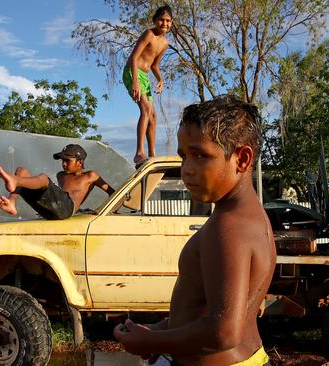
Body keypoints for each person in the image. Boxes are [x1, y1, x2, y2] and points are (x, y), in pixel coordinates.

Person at [114, 95, 277, 366]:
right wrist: (160, 330)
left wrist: (150, 342)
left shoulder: (229, 226)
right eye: (183, 156)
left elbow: (224, 332)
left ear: (242, 159)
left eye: (200, 155)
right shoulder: (249, 215)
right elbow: (205, 311)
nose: (186, 170)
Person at [0, 144, 115, 220]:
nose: (63, 164)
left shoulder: (91, 176)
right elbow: (53, 195)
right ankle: (12, 203)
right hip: (50, 210)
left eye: (67, 161)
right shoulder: (61, 175)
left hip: (66, 210)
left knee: (43, 178)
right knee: (22, 170)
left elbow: (112, 193)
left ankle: (14, 181)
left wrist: (110, 210)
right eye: (62, 160)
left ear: (80, 162)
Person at [123, 5, 173, 165]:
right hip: (133, 72)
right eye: (161, 20)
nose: (164, 23)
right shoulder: (149, 34)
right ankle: (139, 152)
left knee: (153, 115)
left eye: (168, 21)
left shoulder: (165, 43)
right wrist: (135, 81)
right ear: (155, 20)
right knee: (145, 109)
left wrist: (160, 80)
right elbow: (134, 57)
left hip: (144, 75)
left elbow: (154, 65)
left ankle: (152, 153)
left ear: (171, 23)